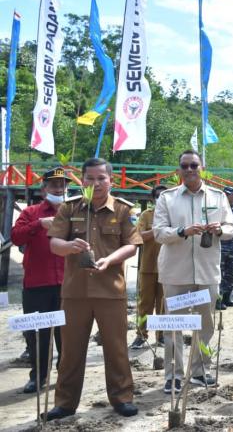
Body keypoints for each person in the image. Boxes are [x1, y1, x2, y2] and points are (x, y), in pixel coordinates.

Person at [46, 158, 142, 419]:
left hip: (110, 291)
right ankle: (65, 403)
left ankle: (122, 399)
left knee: (116, 348)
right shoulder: (70, 208)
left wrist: (110, 259)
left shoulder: (123, 210)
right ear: (83, 180)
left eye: (102, 178)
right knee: (70, 350)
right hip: (75, 291)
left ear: (111, 180)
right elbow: (54, 243)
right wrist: (69, 247)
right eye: (90, 178)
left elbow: (132, 245)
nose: (96, 183)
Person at [153, 150, 233, 394]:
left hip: (207, 272)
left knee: (206, 324)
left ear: (202, 167)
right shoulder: (167, 198)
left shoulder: (218, 196)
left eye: (193, 165)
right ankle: (174, 375)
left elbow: (231, 228)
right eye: (184, 166)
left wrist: (220, 229)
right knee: (174, 324)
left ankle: (200, 371)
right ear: (178, 170)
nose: (189, 169)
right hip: (175, 273)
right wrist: (182, 232)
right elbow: (158, 233)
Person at [11, 167, 68, 394]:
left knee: (66, 334)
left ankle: (64, 374)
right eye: (53, 185)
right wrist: (39, 224)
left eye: (62, 184)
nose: (58, 188)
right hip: (36, 284)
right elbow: (16, 237)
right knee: (37, 335)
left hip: (67, 284)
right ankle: (38, 376)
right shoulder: (31, 212)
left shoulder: (73, 210)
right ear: (44, 188)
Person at [131, 184, 168, 349]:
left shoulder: (173, 216)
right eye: (157, 196)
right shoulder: (146, 215)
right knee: (145, 303)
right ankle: (141, 335)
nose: (160, 198)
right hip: (147, 267)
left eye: (163, 195)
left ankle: (162, 336)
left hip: (168, 268)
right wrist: (157, 230)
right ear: (153, 199)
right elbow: (138, 237)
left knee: (164, 304)